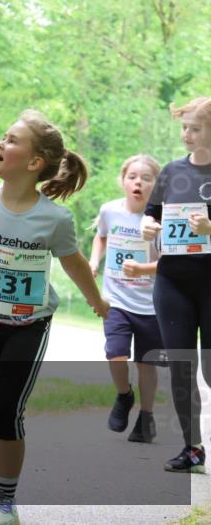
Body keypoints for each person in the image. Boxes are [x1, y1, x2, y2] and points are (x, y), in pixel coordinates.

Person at [0, 110, 109, 525]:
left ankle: (4, 503)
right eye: (3, 136)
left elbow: (75, 264)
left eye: (12, 140)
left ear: (34, 163)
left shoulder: (55, 218)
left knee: (7, 408)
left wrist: (98, 302)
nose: (1, 144)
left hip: (28, 325)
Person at [140, 96, 211, 473]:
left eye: (195, 128)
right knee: (182, 367)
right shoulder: (170, 172)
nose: (186, 134)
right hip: (172, 282)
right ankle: (192, 448)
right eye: (184, 127)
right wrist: (147, 227)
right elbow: (150, 218)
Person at [88, 154, 162, 442]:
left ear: (156, 185)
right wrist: (94, 262)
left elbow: (169, 261)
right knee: (115, 353)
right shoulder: (110, 211)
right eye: (132, 177)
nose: (138, 183)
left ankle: (146, 417)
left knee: (146, 363)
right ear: (123, 180)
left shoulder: (160, 219)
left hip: (150, 304)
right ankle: (123, 395)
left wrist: (142, 268)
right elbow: (101, 236)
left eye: (146, 178)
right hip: (116, 300)